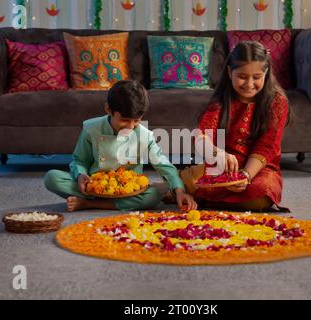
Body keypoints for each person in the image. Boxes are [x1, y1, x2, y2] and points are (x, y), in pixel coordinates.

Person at [44, 80, 197, 212]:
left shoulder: (144, 135)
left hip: (128, 191)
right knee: (52, 178)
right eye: (124, 120)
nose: (130, 127)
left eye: (136, 121)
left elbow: (164, 166)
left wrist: (179, 191)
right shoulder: (91, 128)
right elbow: (79, 160)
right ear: (108, 109)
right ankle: (100, 200)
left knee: (153, 196)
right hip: (95, 187)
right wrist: (80, 175)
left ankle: (89, 203)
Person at [180, 41, 292, 212]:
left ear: (266, 73)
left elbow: (267, 146)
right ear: (229, 72)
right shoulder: (220, 101)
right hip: (221, 168)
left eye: (256, 77)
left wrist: (245, 176)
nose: (249, 84)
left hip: (257, 170)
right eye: (242, 76)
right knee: (191, 180)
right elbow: (202, 136)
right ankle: (192, 189)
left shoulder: (277, 102)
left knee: (260, 195)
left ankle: (204, 197)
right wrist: (217, 153)